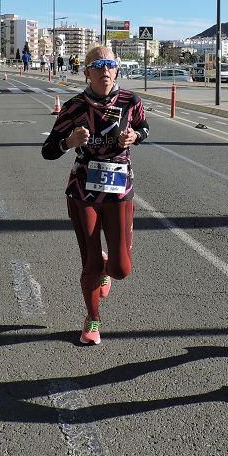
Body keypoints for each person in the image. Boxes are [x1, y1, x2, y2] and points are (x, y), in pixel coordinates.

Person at [41, 46, 150, 345]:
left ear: (117, 69)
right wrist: (69, 141)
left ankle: (107, 264)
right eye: (98, 65)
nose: (105, 70)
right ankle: (92, 319)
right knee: (89, 262)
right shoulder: (74, 107)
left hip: (119, 191)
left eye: (110, 64)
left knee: (121, 270)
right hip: (82, 191)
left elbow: (144, 127)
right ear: (86, 71)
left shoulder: (131, 101)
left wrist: (136, 136)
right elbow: (48, 150)